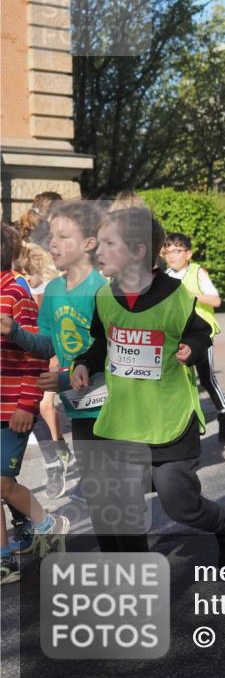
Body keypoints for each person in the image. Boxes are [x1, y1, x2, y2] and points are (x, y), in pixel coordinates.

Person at [70, 209, 225, 564]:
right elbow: (101, 342)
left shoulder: (175, 295)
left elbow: (201, 332)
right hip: (123, 421)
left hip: (169, 419)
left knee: (179, 504)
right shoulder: (105, 297)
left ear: (136, 253)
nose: (98, 252)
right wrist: (84, 363)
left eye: (108, 244)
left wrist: (192, 348)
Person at [1, 201, 106, 541]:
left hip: (112, 402)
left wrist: (58, 381)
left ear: (89, 243)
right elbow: (47, 345)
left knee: (136, 488)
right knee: (98, 487)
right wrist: (15, 333)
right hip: (79, 403)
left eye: (62, 236)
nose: (52, 244)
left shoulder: (103, 290)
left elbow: (109, 351)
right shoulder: (56, 290)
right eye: (51, 236)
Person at [1, 223, 69, 584]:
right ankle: (4, 558)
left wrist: (28, 403)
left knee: (2, 483)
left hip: (11, 407)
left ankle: (47, 523)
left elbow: (35, 354)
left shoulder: (16, 293)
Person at [162, 233, 225, 443]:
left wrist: (191, 295)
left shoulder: (197, 272)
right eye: (167, 252)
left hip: (201, 333)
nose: (171, 256)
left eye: (176, 251)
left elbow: (215, 300)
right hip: (177, 334)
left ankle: (224, 410)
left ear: (189, 254)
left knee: (206, 377)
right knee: (181, 380)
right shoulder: (166, 276)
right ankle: (185, 424)